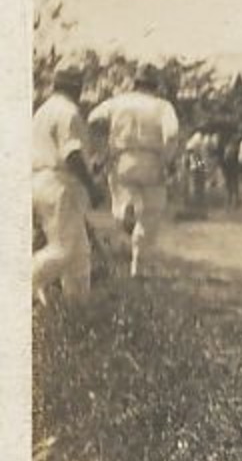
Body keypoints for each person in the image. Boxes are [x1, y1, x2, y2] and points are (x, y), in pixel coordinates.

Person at [88, 66, 180, 278]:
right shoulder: (162, 106)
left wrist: (102, 145)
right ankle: (137, 269)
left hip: (122, 159)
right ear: (155, 86)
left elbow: (93, 118)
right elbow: (172, 134)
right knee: (149, 216)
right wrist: (167, 158)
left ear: (135, 83)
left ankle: (124, 213)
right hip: (152, 161)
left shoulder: (119, 101)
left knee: (121, 203)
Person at [32, 71, 103, 303]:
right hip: (60, 183)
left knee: (79, 253)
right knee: (63, 248)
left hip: (41, 180)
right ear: (77, 87)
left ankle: (77, 310)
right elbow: (71, 153)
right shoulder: (68, 111)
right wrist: (91, 186)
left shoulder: (43, 110)